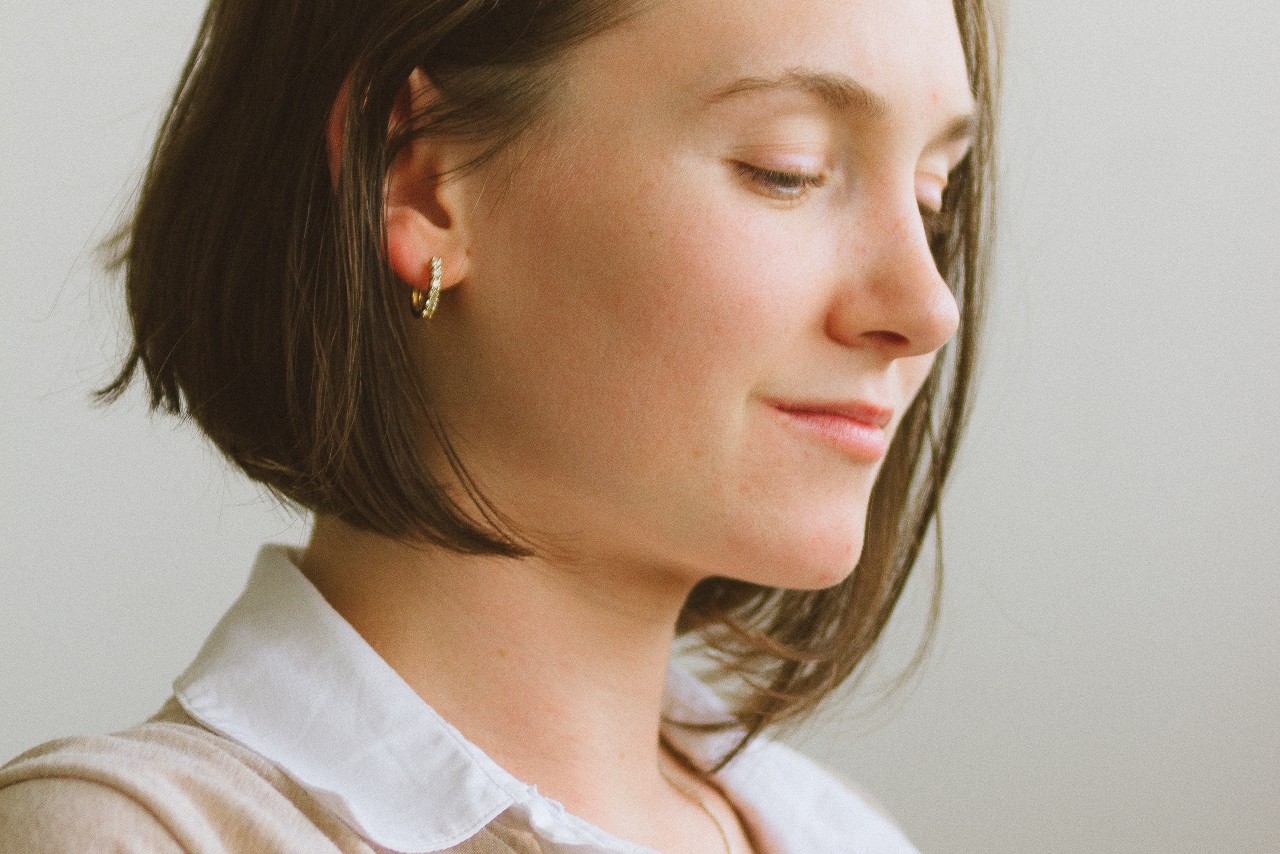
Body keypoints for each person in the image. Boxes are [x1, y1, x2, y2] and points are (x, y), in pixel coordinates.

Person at [0, 0, 999, 850]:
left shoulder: (839, 831)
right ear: (422, 180)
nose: (925, 305)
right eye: (786, 169)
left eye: (931, 199)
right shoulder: (132, 834)